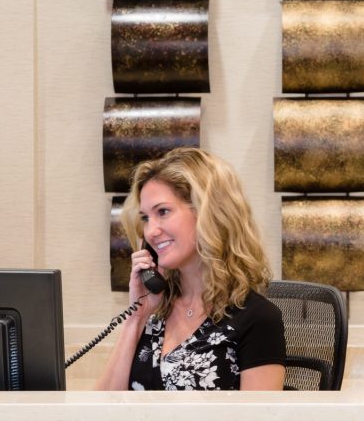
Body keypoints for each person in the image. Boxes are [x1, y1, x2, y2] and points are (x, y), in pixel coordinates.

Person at [96, 147, 286, 391]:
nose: (151, 231)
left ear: (208, 214)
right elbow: (101, 412)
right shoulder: (155, 310)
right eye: (145, 218)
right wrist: (136, 318)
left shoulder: (257, 318)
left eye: (163, 212)